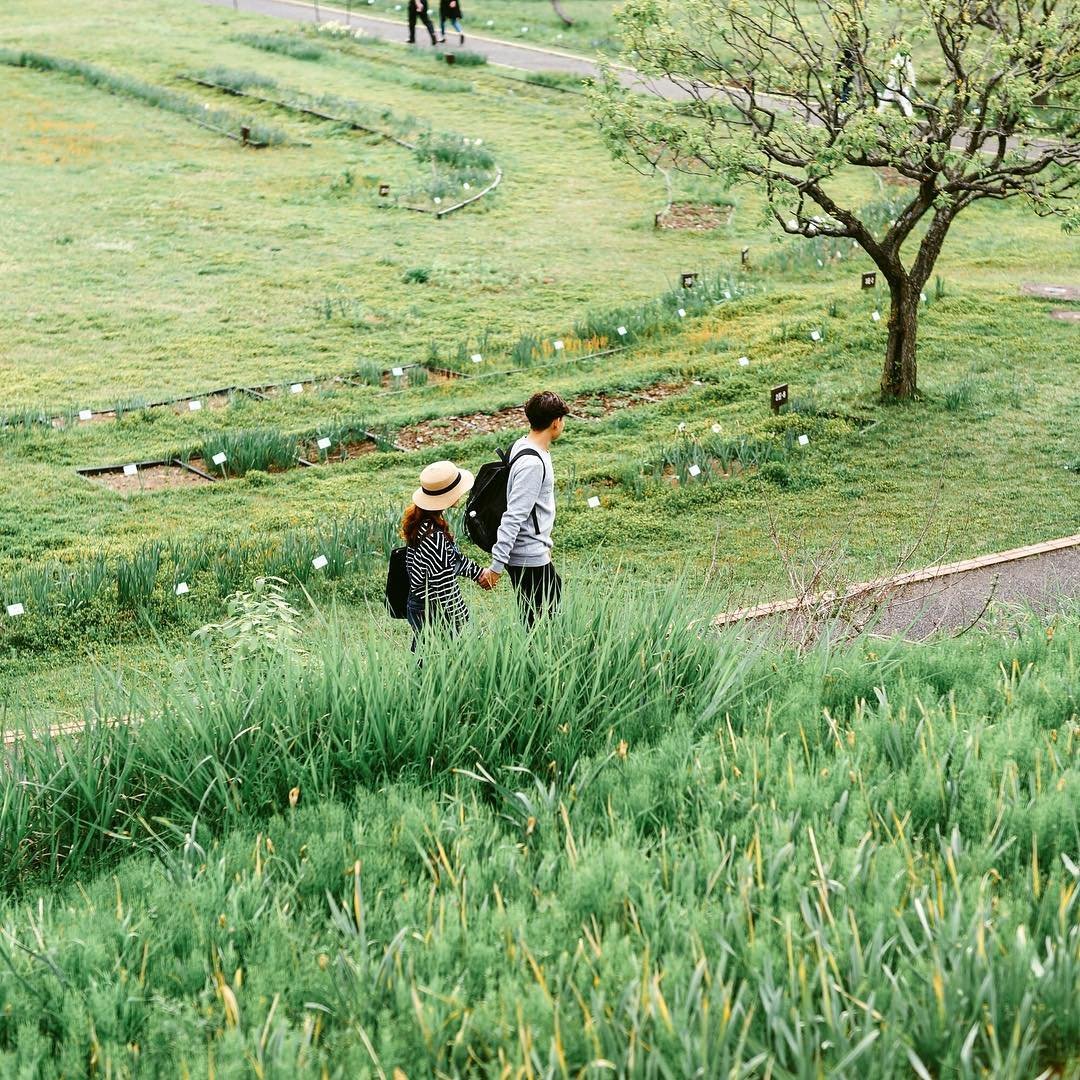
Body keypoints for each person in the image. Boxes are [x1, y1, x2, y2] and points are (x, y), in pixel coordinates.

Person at [487, 391, 568, 628]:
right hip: (527, 556)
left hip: (532, 551)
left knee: (539, 615)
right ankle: (535, 663)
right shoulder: (532, 463)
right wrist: (496, 566)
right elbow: (513, 515)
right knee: (542, 624)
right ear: (556, 423)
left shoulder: (523, 444)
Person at [403, 460, 496, 651]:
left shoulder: (423, 523)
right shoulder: (435, 538)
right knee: (437, 660)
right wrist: (466, 622)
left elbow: (452, 560)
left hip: (419, 601)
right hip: (432, 608)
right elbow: (445, 589)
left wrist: (478, 573)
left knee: (425, 657)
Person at [877, 38, 917, 118]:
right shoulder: (894, 55)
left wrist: (908, 82)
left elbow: (907, 70)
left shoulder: (902, 55)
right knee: (887, 98)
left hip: (901, 83)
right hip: (894, 83)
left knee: (904, 101)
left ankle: (909, 117)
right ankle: (879, 114)